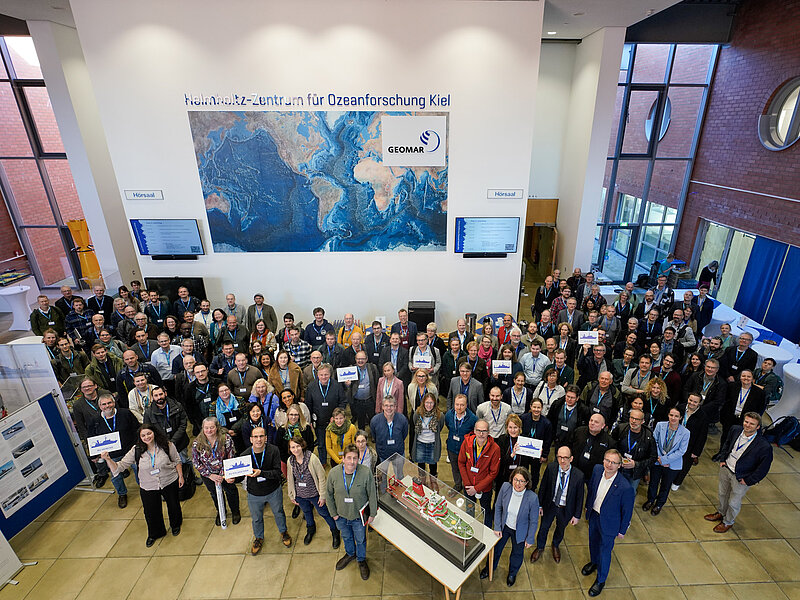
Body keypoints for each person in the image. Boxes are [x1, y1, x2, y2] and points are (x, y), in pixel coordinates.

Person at [101, 423, 183, 546]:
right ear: (140, 437)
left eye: (149, 433)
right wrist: (108, 459)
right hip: (148, 485)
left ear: (154, 433)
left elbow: (177, 460)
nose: (147, 437)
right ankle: (155, 533)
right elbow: (119, 467)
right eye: (143, 435)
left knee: (173, 505)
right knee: (151, 511)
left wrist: (180, 476)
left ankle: (176, 525)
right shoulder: (136, 450)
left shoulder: (167, 445)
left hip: (169, 481)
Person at [704, 412, 773, 533]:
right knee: (722, 494)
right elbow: (727, 443)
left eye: (752, 424)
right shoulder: (735, 429)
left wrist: (748, 480)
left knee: (733, 502)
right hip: (726, 469)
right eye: (746, 422)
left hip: (741, 477)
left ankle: (728, 522)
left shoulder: (763, 446)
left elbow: (763, 468)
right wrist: (723, 459)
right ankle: (721, 513)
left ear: (758, 427)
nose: (748, 425)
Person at [229, 426, 292, 553]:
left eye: (261, 436)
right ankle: (258, 537)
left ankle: (283, 532)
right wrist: (233, 480)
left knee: (279, 512)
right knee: (256, 518)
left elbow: (277, 473)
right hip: (254, 493)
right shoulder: (245, 455)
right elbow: (240, 476)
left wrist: (261, 473)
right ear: (251, 439)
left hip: (273, 490)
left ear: (266, 438)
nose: (259, 439)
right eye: (256, 437)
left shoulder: (273, 450)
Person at [582, 449, 635, 597]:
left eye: (614, 463)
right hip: (594, 515)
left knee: (605, 551)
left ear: (620, 465)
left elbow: (627, 511)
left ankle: (601, 580)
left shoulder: (625, 487)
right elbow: (591, 490)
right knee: (593, 542)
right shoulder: (597, 470)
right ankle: (594, 562)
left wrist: (622, 530)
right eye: (607, 460)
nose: (609, 465)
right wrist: (587, 507)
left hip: (610, 524)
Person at [480, 467, 539, 586]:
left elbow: (534, 521)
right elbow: (498, 506)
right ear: (511, 479)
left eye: (522, 481)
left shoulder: (532, 498)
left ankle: (512, 573)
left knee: (517, 554)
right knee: (496, 549)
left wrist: (530, 538)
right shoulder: (505, 487)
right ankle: (489, 568)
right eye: (516, 479)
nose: (518, 483)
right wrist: (497, 526)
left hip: (520, 531)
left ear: (527, 483)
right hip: (504, 526)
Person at [532, 446, 585, 564]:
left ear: (571, 459)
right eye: (559, 457)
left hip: (565, 508)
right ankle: (540, 547)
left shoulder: (578, 475)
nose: (562, 460)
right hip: (550, 505)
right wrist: (539, 505)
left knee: (560, 529)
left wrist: (577, 515)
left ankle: (555, 545)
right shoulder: (551, 468)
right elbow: (543, 487)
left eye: (565, 457)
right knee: (543, 528)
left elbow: (580, 497)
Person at [87, 394, 140, 507]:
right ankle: (122, 494)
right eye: (104, 404)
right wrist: (94, 456)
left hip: (130, 450)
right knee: (116, 476)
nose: (107, 406)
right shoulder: (95, 420)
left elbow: (137, 429)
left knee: (140, 471)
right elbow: (91, 438)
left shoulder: (125, 413)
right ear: (100, 406)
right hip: (111, 455)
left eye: (109, 403)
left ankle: (146, 488)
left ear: (114, 402)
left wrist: (138, 445)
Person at [286, 437, 339, 547]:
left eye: (297, 446)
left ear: (302, 446)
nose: (295, 449)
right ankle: (311, 529)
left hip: (315, 494)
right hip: (300, 495)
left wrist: (322, 495)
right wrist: (291, 495)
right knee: (306, 512)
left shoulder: (312, 458)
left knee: (324, 513)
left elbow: (321, 477)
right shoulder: (290, 461)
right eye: (292, 447)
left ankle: (335, 531)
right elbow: (290, 479)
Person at [192, 417, 240, 526]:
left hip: (226, 472)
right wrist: (210, 475)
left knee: (231, 491)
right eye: (206, 428)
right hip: (209, 475)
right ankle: (221, 512)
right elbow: (196, 462)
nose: (209, 430)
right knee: (214, 494)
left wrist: (222, 474)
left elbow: (231, 456)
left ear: (217, 427)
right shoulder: (197, 443)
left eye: (212, 427)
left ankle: (235, 511)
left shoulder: (226, 438)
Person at [645, 407, 689, 515]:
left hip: (672, 464)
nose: (673, 418)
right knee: (653, 482)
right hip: (657, 460)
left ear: (681, 418)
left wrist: (664, 460)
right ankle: (650, 500)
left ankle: (659, 504)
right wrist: (659, 458)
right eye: (671, 415)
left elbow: (681, 451)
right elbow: (654, 441)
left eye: (676, 416)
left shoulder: (685, 432)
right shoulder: (660, 425)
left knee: (665, 485)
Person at [458, 418, 500, 527]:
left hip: (485, 488)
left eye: (484, 431)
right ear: (474, 431)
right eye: (479, 431)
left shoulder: (495, 449)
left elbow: (493, 473)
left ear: (488, 432)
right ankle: (469, 529)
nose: (481, 434)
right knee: (469, 510)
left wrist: (476, 488)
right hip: (468, 486)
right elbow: (461, 463)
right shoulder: (466, 443)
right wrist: (468, 486)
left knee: (486, 511)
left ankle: (487, 532)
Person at [719, 369, 766, 448]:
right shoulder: (732, 386)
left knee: (739, 438)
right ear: (740, 377)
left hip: (745, 420)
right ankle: (721, 453)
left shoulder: (759, 392)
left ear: (752, 379)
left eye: (749, 376)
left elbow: (760, 408)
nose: (746, 378)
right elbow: (725, 401)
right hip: (730, 417)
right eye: (743, 376)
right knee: (725, 436)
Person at [611, 408, 656, 492]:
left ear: (642, 421)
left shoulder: (648, 437)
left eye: (637, 419)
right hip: (618, 467)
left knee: (630, 492)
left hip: (634, 473)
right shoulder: (621, 429)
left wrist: (636, 464)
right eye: (632, 418)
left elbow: (653, 458)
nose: (633, 421)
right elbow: (611, 445)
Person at [672, 393, 708, 491]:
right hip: (674, 440)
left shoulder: (703, 416)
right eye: (690, 400)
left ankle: (677, 482)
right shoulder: (680, 408)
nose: (692, 403)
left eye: (695, 402)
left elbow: (702, 436)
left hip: (690, 445)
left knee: (684, 465)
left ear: (699, 403)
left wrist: (696, 452)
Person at [444, 394, 477, 492]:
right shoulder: (449, 415)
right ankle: (458, 485)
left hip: (466, 451)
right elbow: (448, 426)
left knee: (466, 469)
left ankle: (466, 486)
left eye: (462, 405)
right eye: (457, 404)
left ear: (466, 405)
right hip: (452, 447)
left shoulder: (473, 419)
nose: (459, 407)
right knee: (455, 468)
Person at [412, 392, 445, 477]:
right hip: (420, 443)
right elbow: (414, 423)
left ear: (435, 403)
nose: (429, 405)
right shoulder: (417, 413)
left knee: (433, 466)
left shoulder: (440, 415)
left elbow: (439, 428)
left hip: (432, 444)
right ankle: (422, 484)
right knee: (421, 466)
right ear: (423, 403)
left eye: (431, 403)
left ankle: (433, 483)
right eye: (427, 402)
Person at [370, 396, 408, 464]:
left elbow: (404, 434)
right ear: (382, 407)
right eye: (386, 405)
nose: (389, 408)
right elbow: (375, 436)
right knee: (383, 474)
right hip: (383, 455)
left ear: (395, 407)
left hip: (398, 454)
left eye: (391, 406)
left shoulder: (402, 419)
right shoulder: (375, 421)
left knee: (399, 474)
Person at [346, 350, 379, 429]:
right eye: (358, 359)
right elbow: (347, 387)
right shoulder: (351, 369)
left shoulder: (372, 368)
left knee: (373, 420)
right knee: (361, 421)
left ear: (366, 359)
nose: (360, 361)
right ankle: (362, 437)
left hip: (370, 400)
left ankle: (374, 435)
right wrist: (347, 385)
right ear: (355, 359)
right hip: (357, 401)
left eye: (362, 359)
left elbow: (377, 382)